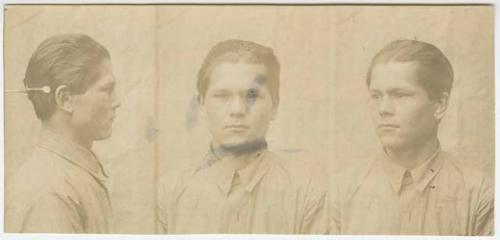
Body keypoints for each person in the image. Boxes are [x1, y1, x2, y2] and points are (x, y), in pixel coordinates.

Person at [157, 39, 327, 234]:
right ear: (202, 105)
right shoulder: (168, 193)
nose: (237, 110)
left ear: (275, 106)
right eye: (223, 96)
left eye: (252, 95)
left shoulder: (307, 193)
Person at [329, 39, 493, 235]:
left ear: (440, 105)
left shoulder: (479, 194)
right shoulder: (341, 191)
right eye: (376, 96)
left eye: (400, 95)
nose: (383, 109)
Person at [5, 33, 120, 233]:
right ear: (65, 99)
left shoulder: (74, 176)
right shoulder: (50, 194)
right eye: (107, 90)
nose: (117, 101)